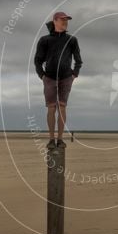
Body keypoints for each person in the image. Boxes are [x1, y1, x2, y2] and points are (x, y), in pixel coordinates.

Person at [34, 11, 83, 149]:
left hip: (66, 78)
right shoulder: (45, 40)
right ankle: (51, 139)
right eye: (62, 20)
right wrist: (42, 75)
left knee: (62, 107)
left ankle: (60, 140)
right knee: (51, 107)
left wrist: (74, 75)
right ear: (55, 21)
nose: (65, 22)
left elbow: (78, 60)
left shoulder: (71, 40)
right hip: (49, 78)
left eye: (66, 20)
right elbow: (37, 60)